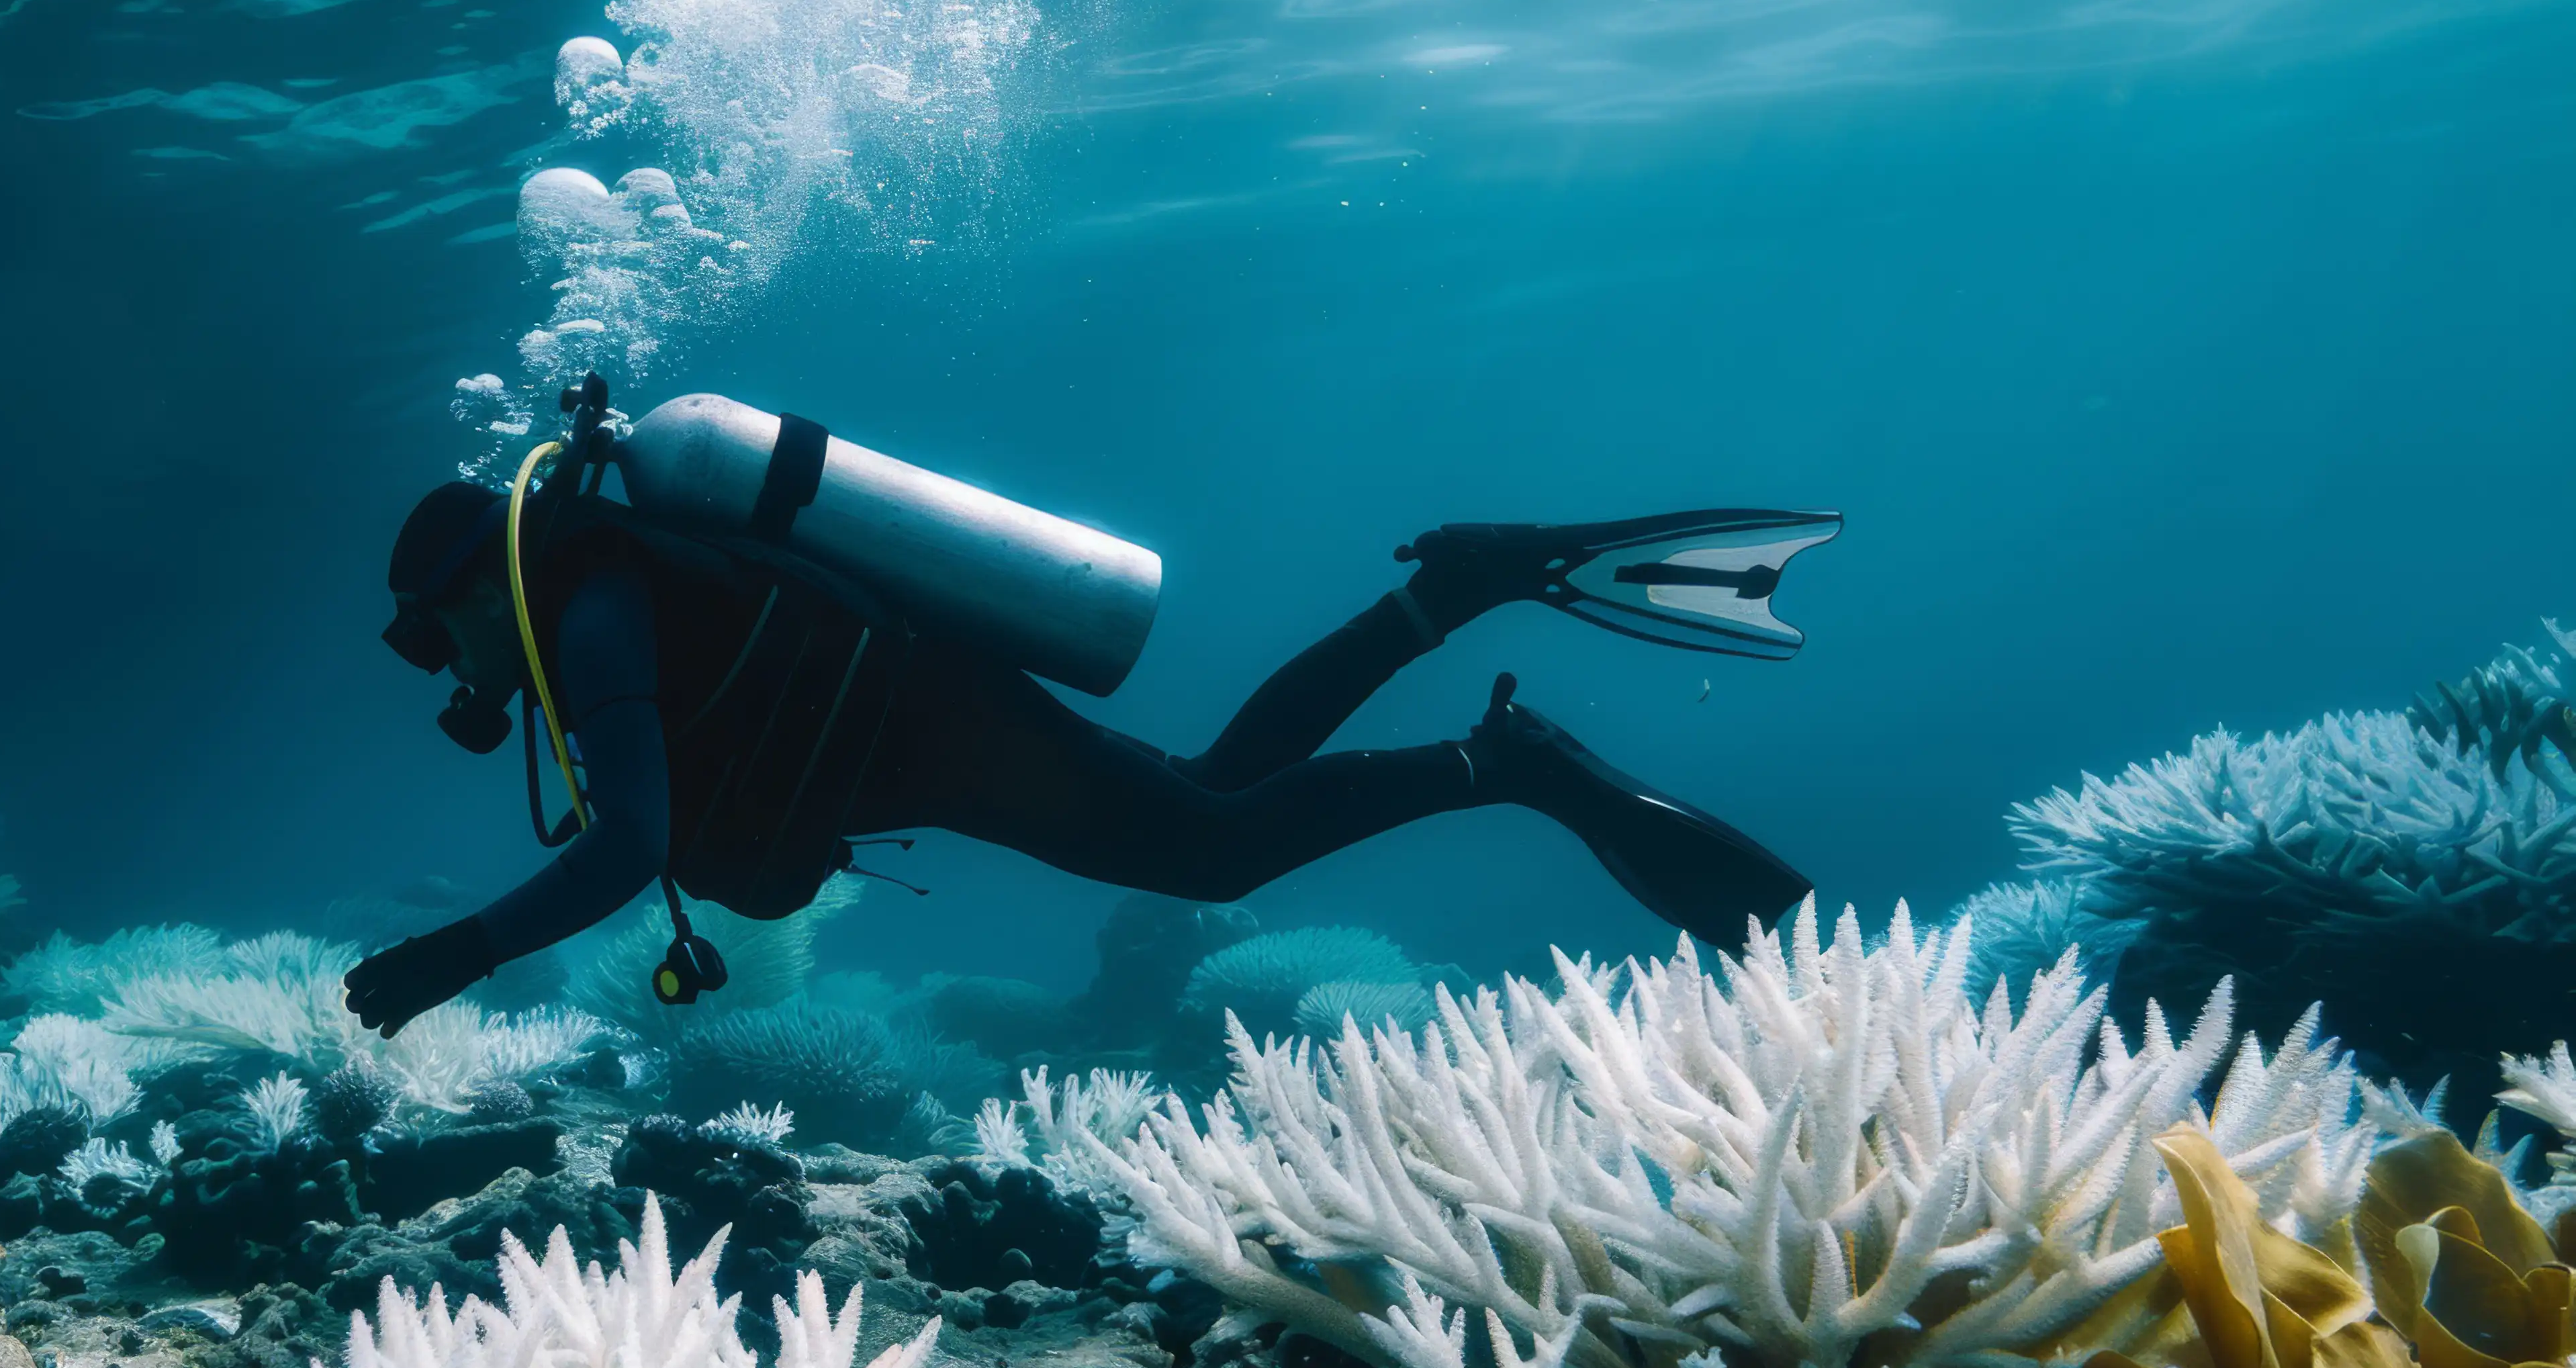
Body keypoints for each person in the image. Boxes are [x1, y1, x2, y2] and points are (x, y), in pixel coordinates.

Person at [342, 469, 1824, 1036]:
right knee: (1207, 796)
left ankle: (1506, 762)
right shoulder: (601, 603)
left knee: (1207, 841)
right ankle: (1452, 590)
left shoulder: (591, 614)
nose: (449, 672)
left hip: (939, 724)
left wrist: (450, 956)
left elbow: (633, 844)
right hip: (926, 717)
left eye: (431, 636)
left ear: (480, 585)